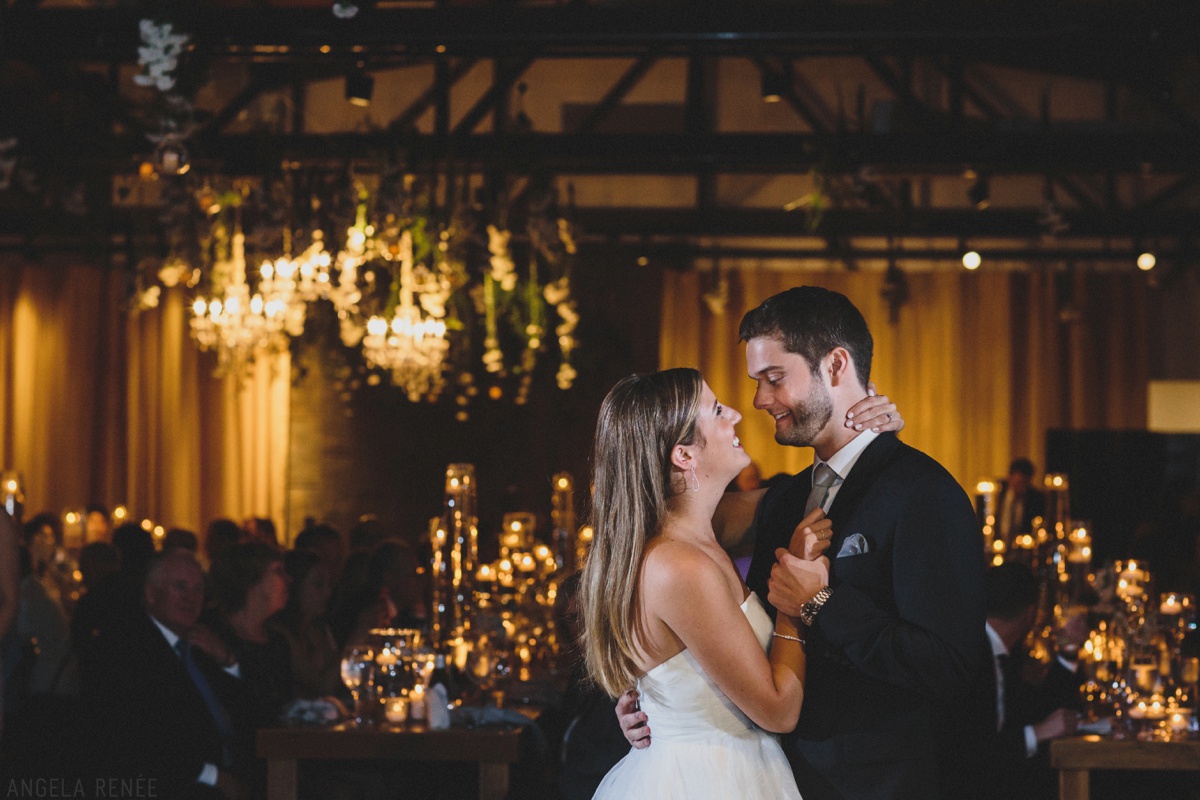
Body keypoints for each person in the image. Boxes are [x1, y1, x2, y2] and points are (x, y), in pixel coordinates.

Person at [619, 286, 984, 800]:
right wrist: (654, 693)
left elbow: (953, 668)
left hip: (874, 785)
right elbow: (644, 540)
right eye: (756, 383)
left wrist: (820, 604)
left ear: (836, 365)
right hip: (771, 778)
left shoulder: (923, 491)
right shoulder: (788, 498)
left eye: (773, 379)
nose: (758, 401)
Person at [581, 368, 819, 799]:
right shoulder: (679, 565)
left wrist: (865, 438)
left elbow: (811, 491)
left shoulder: (700, 533)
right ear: (684, 455)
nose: (737, 416)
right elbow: (780, 711)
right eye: (716, 410)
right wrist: (793, 602)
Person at [83, 550, 253, 799]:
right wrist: (216, 777)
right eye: (180, 587)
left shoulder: (202, 641)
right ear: (151, 594)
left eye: (198, 589)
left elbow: (247, 713)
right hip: (172, 782)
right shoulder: (127, 647)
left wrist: (226, 661)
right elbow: (142, 741)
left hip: (233, 768)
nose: (190, 598)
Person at [996, 458, 1047, 544]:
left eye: (1024, 483)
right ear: (1010, 478)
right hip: (998, 542)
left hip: (1022, 547)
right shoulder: (998, 492)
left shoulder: (1036, 498)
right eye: (1018, 483)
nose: (1020, 488)